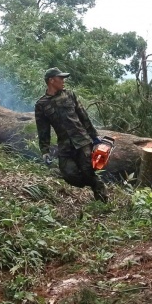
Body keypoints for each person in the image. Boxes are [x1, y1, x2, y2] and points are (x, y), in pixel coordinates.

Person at [35, 67, 108, 202]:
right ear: (51, 80)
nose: (63, 81)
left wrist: (94, 136)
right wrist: (45, 150)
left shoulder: (69, 95)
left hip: (82, 141)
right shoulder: (41, 104)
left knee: (88, 172)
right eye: (60, 78)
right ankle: (92, 182)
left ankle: (102, 201)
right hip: (64, 145)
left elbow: (83, 116)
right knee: (69, 175)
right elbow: (43, 130)